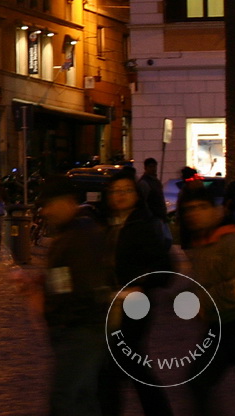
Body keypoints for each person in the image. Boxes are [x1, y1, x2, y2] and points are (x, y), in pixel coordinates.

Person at [33, 177, 113, 416]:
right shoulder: (70, 234)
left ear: (68, 202)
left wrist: (55, 309)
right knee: (82, 400)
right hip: (75, 330)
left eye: (49, 204)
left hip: (80, 331)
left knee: (65, 399)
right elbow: (64, 281)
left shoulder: (81, 237)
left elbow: (83, 289)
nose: (45, 211)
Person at [97, 172, 173, 416]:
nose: (120, 195)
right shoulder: (106, 224)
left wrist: (141, 284)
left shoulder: (145, 225)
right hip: (110, 303)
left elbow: (166, 267)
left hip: (136, 304)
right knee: (124, 362)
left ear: (137, 196)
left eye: (126, 190)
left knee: (125, 360)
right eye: (115, 190)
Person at [180, 186, 235, 416]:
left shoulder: (232, 241)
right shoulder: (198, 245)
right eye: (189, 209)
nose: (195, 213)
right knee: (198, 380)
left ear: (217, 211)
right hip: (219, 326)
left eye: (202, 207)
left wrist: (201, 299)